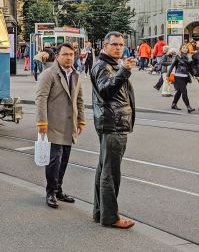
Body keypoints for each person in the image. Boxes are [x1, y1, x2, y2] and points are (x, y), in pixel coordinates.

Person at [89, 31, 136, 229]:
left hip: (111, 122)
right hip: (113, 124)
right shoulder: (103, 66)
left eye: (121, 44)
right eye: (114, 44)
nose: (119, 47)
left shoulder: (110, 65)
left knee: (104, 169)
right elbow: (106, 90)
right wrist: (124, 71)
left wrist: (122, 70)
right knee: (110, 172)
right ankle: (110, 217)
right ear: (105, 46)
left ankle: (101, 212)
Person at [35, 43, 86, 209]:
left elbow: (79, 99)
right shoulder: (48, 74)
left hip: (69, 125)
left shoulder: (76, 74)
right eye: (65, 54)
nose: (69, 57)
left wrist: (81, 120)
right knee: (54, 161)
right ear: (57, 56)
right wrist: (42, 122)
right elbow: (41, 99)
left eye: (71, 54)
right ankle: (50, 192)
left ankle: (58, 190)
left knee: (64, 159)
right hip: (53, 124)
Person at [168, 45, 196, 113]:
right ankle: (188, 107)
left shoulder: (189, 57)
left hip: (186, 77)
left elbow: (191, 68)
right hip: (178, 76)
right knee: (184, 91)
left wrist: (194, 75)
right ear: (181, 49)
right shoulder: (178, 56)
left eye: (186, 48)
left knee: (179, 91)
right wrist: (168, 75)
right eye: (183, 48)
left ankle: (174, 104)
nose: (185, 49)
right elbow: (172, 65)